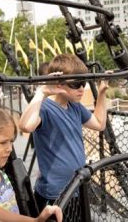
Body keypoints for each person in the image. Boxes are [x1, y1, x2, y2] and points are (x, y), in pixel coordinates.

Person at [18, 54, 108, 211]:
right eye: (76, 84)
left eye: (83, 83)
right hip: (54, 195)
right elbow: (25, 126)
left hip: (77, 188)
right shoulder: (45, 108)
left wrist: (101, 93)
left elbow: (100, 124)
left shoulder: (75, 107)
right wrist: (42, 92)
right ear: (59, 84)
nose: (81, 88)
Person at [0, 104, 63, 222]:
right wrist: (34, 221)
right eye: (3, 142)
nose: (9, 149)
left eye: (11, 142)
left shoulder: (2, 175)